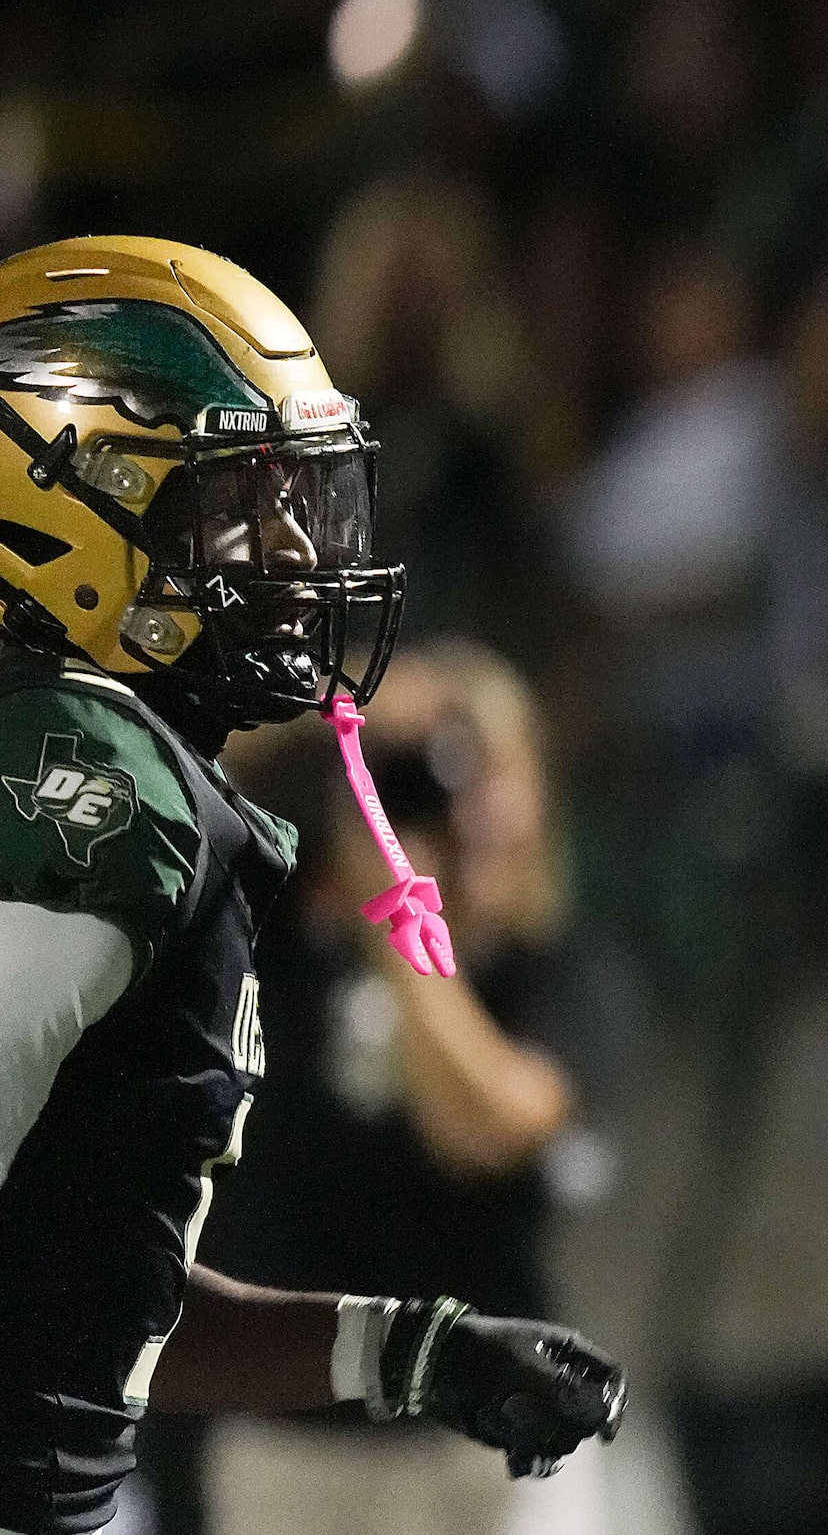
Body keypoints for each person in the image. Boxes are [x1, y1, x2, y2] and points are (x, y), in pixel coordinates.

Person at [0, 237, 622, 1535]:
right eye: (235, 506)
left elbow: (83, 1288)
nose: (287, 550)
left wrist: (408, 1350)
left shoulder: (131, 791)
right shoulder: (129, 828)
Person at [184, 639, 620, 1535]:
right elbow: (199, 779)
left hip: (493, 1436)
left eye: (479, 768)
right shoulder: (277, 949)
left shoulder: (546, 970)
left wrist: (397, 910)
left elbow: (492, 1127)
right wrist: (326, 718)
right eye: (410, 775)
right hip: (295, 1434)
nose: (447, 804)